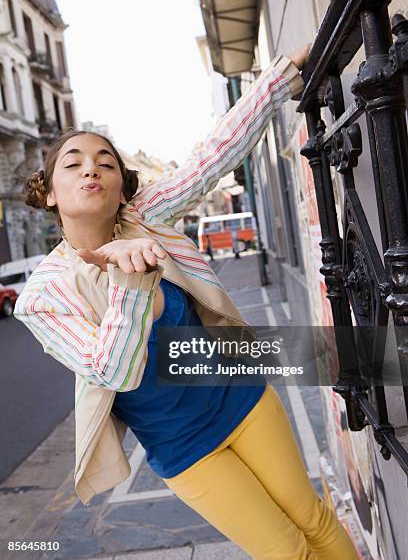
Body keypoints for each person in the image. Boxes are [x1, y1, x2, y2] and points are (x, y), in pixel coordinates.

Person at [13, 44, 359, 559]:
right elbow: (113, 372)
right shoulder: (42, 297)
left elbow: (208, 158)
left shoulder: (143, 216)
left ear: (120, 186)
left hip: (241, 398)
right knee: (288, 551)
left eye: (106, 162)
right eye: (75, 163)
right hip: (184, 449)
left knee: (314, 517)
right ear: (48, 193)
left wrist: (283, 72)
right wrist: (130, 285)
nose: (92, 170)